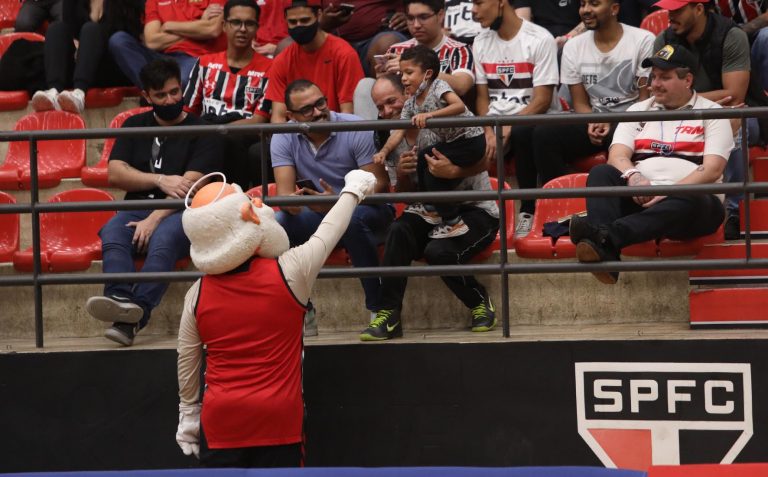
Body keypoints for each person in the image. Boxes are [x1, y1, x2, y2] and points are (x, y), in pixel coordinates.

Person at [175, 170, 377, 467]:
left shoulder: (196, 293)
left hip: (220, 419)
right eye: (249, 201)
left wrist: (188, 411)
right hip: (279, 418)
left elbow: (187, 356)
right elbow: (329, 231)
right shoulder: (291, 271)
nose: (257, 202)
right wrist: (353, 190)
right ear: (245, 217)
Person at [85, 59, 223, 346]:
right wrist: (160, 180)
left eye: (174, 92)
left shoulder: (203, 129)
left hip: (182, 211)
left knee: (163, 240)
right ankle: (119, 297)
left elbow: (191, 186)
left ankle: (134, 316)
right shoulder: (134, 124)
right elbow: (115, 173)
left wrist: (154, 218)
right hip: (135, 207)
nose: (170, 100)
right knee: (113, 231)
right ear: (146, 96)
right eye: (161, 95)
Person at [570, 44, 734, 285]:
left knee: (691, 197)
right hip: (642, 196)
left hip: (692, 206)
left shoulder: (713, 113)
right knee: (601, 173)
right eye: (653, 77)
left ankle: (605, 237)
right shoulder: (638, 110)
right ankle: (606, 249)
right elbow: (617, 155)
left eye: (664, 77)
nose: (654, 84)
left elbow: (712, 169)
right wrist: (634, 176)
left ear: (688, 80)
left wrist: (668, 191)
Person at [362, 74, 499, 341]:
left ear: (408, 96)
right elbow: (404, 196)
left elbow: (485, 159)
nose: (387, 111)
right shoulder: (388, 138)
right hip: (428, 210)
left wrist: (454, 172)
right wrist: (403, 174)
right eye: (380, 107)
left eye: (391, 101)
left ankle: (479, 302)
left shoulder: (439, 116)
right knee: (398, 231)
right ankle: (389, 314)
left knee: (438, 251)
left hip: (474, 207)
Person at [271, 79, 392, 324]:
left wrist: (339, 203)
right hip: (318, 210)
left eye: (321, 103)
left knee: (351, 220)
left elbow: (379, 184)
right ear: (291, 116)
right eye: (307, 110)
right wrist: (293, 203)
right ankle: (301, 309)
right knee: (277, 225)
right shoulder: (283, 135)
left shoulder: (356, 127)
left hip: (367, 208)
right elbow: (284, 195)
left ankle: (379, 309)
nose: (318, 112)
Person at [653, 0, 764, 239]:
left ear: (699, 9)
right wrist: (690, 101)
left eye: (677, 10)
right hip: (682, 115)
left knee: (731, 124)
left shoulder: (731, 35)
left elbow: (734, 95)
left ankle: (733, 212)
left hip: (741, 114)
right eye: (669, 10)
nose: (670, 16)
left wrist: (682, 98)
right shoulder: (664, 39)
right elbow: (659, 95)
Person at [527, 0, 654, 189]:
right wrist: (593, 120)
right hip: (595, 119)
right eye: (582, 4)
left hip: (633, 120)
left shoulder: (643, 40)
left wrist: (612, 122)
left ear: (614, 9)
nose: (586, 10)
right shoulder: (573, 46)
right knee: (544, 135)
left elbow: (645, 101)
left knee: (618, 135)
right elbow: (580, 103)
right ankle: (559, 199)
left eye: (594, 4)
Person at [373, 45, 485, 238]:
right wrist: (384, 151)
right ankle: (434, 210)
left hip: (470, 138)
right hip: (454, 142)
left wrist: (430, 115)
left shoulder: (438, 86)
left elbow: (459, 106)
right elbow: (399, 131)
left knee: (429, 165)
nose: (404, 78)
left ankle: (449, 219)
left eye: (409, 73)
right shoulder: (411, 103)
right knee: (426, 161)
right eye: (402, 73)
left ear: (428, 74)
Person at [471, 0, 559, 237]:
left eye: (478, 3)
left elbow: (542, 100)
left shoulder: (540, 38)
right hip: (495, 122)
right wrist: (488, 130)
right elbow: (482, 97)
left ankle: (527, 210)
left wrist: (509, 125)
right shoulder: (480, 41)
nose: (473, 11)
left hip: (535, 119)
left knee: (522, 131)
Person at [183, 0, 272, 189]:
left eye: (249, 23)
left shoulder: (269, 68)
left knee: (228, 140)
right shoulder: (204, 63)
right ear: (224, 25)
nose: (242, 29)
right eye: (236, 22)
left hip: (242, 140)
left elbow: (259, 121)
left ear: (257, 28)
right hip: (206, 134)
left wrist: (218, 130)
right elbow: (188, 111)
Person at [30, 0, 144, 114]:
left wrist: (88, 44)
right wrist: (77, 44)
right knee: (56, 28)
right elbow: (69, 30)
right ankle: (54, 90)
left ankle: (79, 93)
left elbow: (127, 39)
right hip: (81, 62)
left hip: (112, 64)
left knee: (91, 29)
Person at [265, 0, 365, 123]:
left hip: (335, 128)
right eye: (292, 22)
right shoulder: (282, 60)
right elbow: (278, 117)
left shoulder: (344, 54)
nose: (299, 26)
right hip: (298, 132)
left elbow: (348, 113)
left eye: (305, 20)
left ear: (319, 15)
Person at [108, 0, 227, 90]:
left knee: (184, 80)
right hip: (160, 57)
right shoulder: (155, 1)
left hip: (193, 57)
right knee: (118, 40)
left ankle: (159, 97)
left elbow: (212, 30)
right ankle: (154, 94)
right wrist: (199, 25)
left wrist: (169, 26)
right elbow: (152, 41)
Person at [379, 0, 475, 98]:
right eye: (410, 18)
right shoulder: (395, 50)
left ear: (440, 15)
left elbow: (461, 86)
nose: (416, 25)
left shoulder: (459, 50)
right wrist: (381, 79)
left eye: (423, 17)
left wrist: (413, 68)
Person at [318, 0, 409, 77]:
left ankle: (384, 90)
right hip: (331, 39)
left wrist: (410, 17)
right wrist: (320, 24)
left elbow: (416, 5)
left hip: (379, 36)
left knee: (386, 43)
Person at [514, 0, 584, 49]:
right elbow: (522, 25)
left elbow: (589, 18)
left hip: (577, 40)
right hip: (541, 43)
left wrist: (567, 38)